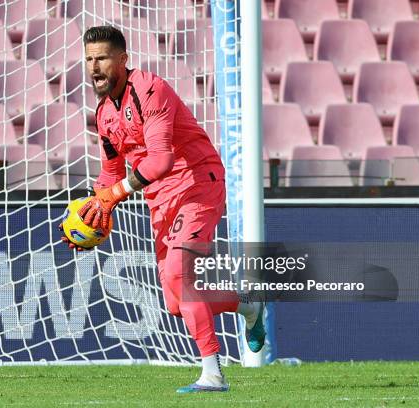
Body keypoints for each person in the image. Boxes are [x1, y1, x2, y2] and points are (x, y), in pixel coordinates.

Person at [60, 25, 265, 393]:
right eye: (89, 59)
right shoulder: (104, 114)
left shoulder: (150, 89)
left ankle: (213, 375)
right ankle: (248, 307)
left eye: (102, 58)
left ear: (122, 59)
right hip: (161, 201)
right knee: (175, 303)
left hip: (197, 184)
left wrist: (112, 196)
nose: (94, 67)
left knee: (178, 277)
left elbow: (160, 162)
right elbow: (109, 174)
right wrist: (94, 214)